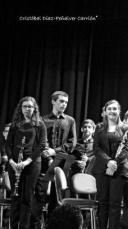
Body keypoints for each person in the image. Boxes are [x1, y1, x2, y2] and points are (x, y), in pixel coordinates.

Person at [31, 91, 77, 229]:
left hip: (61, 163)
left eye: (66, 102)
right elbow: (38, 141)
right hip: (43, 163)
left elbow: (71, 143)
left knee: (57, 198)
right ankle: (36, 226)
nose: (64, 104)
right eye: (61, 101)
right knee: (39, 195)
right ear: (53, 101)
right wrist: (48, 155)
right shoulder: (42, 120)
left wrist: (54, 151)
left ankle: (53, 226)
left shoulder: (70, 120)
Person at [5, 96, 46, 229]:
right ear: (20, 108)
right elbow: (7, 145)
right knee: (15, 197)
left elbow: (41, 145)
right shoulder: (15, 124)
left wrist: (27, 161)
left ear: (35, 108)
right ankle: (13, 226)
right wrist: (11, 161)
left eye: (30, 106)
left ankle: (23, 227)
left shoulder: (40, 124)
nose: (27, 109)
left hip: (32, 165)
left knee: (27, 198)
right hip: (14, 164)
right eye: (25, 106)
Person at [91, 100, 128, 229]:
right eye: (109, 109)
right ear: (105, 111)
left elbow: (125, 150)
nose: (112, 111)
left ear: (119, 111)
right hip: (102, 169)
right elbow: (96, 148)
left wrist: (114, 165)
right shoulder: (99, 127)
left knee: (115, 203)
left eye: (115, 109)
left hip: (119, 170)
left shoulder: (125, 128)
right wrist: (108, 162)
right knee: (102, 202)